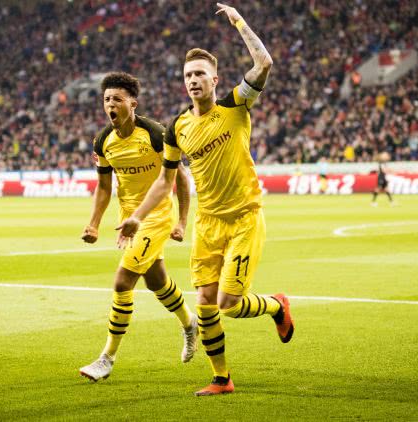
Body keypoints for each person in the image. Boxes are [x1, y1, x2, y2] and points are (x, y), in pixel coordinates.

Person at [115, 3, 293, 396]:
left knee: (229, 301)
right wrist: (137, 217)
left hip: (244, 217)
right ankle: (221, 378)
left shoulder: (235, 104)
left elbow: (264, 62)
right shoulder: (177, 127)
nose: (193, 80)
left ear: (215, 79)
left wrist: (238, 21)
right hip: (207, 222)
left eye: (199, 74)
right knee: (206, 302)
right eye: (187, 75)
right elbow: (165, 180)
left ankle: (276, 305)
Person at [79, 72, 197, 382]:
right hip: (128, 218)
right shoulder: (103, 141)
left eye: (117, 99)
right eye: (106, 99)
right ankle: (190, 323)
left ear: (133, 103)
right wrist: (93, 224)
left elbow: (180, 177)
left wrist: (182, 221)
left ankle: (107, 357)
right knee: (156, 281)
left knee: (123, 282)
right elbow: (104, 187)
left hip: (156, 217)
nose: (110, 104)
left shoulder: (156, 134)